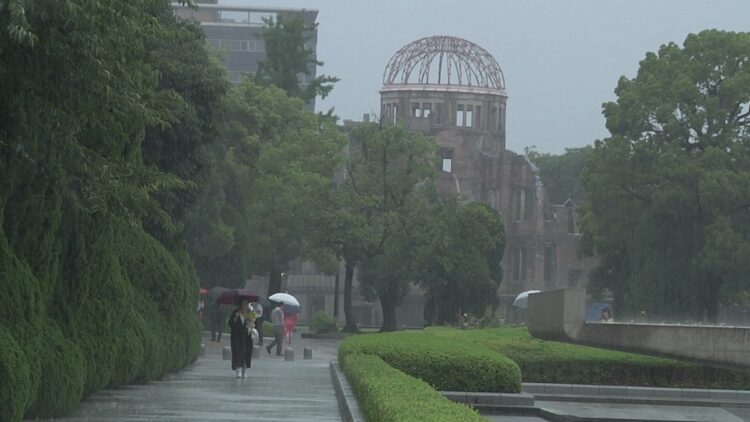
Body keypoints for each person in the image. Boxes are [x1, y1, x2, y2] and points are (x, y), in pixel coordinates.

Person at [228, 298, 255, 378]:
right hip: (237, 337)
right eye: (243, 304)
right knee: (238, 353)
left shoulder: (250, 313)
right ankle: (238, 370)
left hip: (247, 337)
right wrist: (236, 317)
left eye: (246, 304)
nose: (245, 306)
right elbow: (231, 324)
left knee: (246, 353)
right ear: (240, 305)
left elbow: (254, 323)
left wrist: (251, 323)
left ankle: (244, 370)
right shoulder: (235, 312)